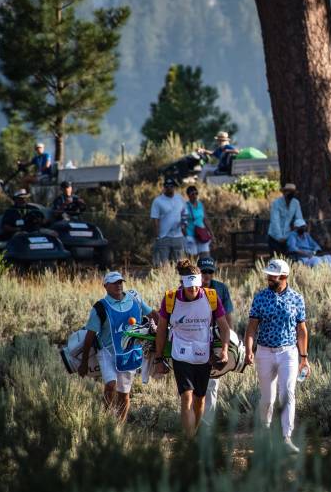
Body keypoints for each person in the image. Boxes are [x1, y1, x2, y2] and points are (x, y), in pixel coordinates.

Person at [154, 259, 230, 437]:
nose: (194, 291)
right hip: (180, 354)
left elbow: (225, 328)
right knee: (186, 396)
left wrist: (224, 351)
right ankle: (189, 441)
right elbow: (162, 330)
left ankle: (193, 434)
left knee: (200, 399)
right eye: (190, 288)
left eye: (197, 287)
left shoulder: (211, 297)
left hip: (203, 354)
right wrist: (159, 358)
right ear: (182, 284)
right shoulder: (170, 299)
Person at [244, 259, 311, 454]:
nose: (268, 278)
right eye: (268, 275)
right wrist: (249, 350)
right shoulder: (260, 297)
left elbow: (302, 330)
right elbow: (251, 327)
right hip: (264, 352)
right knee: (267, 398)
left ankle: (285, 437)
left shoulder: (297, 298)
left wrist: (304, 357)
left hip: (288, 352)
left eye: (272, 276)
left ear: (283, 276)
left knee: (288, 393)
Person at [79, 272, 160, 422]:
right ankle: (106, 422)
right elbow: (90, 336)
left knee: (124, 393)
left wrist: (163, 330)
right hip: (107, 352)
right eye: (114, 282)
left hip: (129, 352)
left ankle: (119, 427)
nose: (118, 285)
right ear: (105, 286)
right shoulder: (100, 308)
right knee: (110, 385)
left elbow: (152, 314)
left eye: (120, 282)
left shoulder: (134, 298)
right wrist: (83, 363)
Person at [196, 257, 234, 427]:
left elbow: (228, 317)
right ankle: (193, 420)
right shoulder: (187, 289)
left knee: (212, 383)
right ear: (197, 271)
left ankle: (207, 424)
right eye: (203, 271)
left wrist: (230, 339)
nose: (207, 275)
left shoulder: (221, 289)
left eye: (210, 272)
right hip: (193, 339)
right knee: (192, 382)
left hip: (216, 338)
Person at [150, 177, 186, 267]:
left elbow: (185, 214)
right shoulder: (158, 201)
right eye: (167, 186)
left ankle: (178, 280)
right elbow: (155, 219)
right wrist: (157, 236)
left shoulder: (180, 198)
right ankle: (166, 279)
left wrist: (184, 228)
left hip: (178, 236)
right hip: (164, 237)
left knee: (180, 264)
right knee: (164, 264)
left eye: (172, 186)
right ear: (164, 187)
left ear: (174, 187)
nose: (170, 188)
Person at [268, 183, 303, 256]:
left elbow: (299, 218)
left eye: (292, 192)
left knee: (286, 261)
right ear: (284, 192)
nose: (290, 193)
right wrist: (279, 237)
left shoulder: (296, 203)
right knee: (275, 260)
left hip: (287, 236)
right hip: (274, 236)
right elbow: (275, 221)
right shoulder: (276, 203)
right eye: (288, 191)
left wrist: (300, 228)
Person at [183, 186, 212, 258]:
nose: (195, 195)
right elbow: (182, 222)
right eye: (192, 194)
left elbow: (205, 219)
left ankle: (205, 269)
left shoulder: (200, 205)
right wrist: (185, 235)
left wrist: (211, 232)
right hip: (190, 235)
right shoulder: (185, 206)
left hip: (202, 234)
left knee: (206, 257)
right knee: (193, 259)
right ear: (188, 195)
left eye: (196, 193)